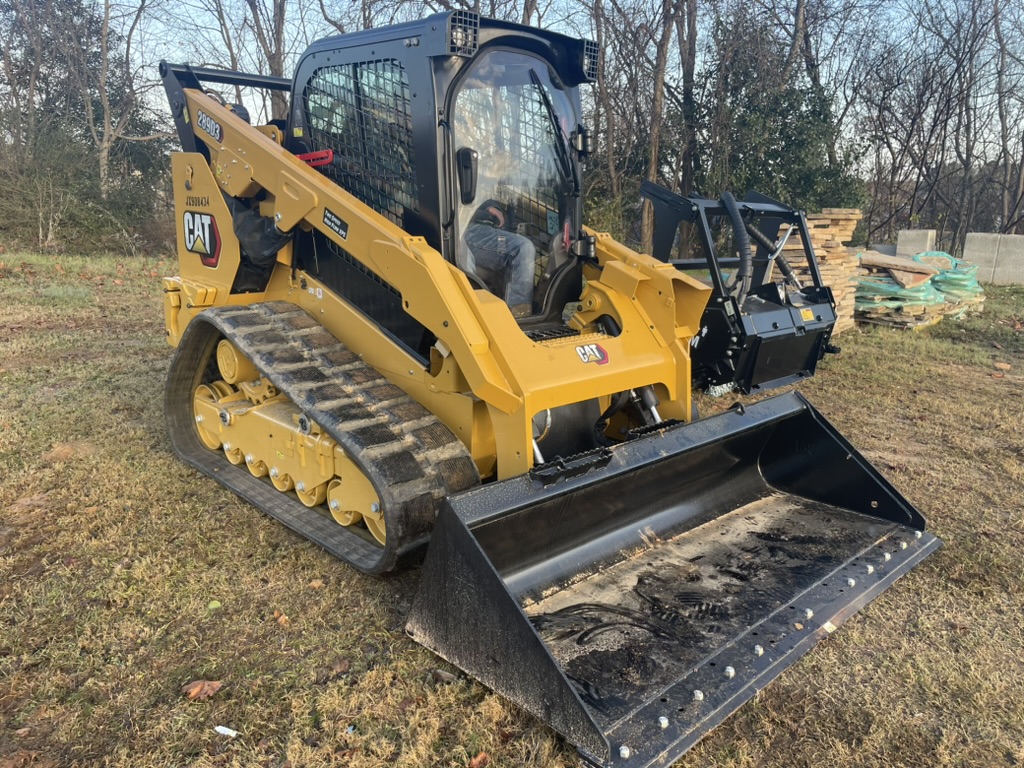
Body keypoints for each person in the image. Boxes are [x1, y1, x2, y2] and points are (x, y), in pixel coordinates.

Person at [463, 200, 536, 317]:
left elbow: (482, 190)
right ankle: (471, 313)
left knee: (523, 248)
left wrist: (489, 205)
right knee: (462, 256)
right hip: (459, 225)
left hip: (485, 227)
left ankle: (518, 315)